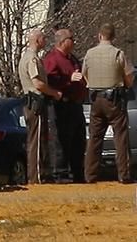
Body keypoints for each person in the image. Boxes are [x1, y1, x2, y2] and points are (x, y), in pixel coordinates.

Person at [82, 23, 134, 183]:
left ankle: (90, 175)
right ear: (113, 37)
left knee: (94, 138)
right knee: (120, 137)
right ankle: (124, 175)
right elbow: (130, 76)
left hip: (95, 99)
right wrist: (125, 84)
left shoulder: (89, 54)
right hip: (114, 99)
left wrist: (93, 85)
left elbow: (84, 74)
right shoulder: (118, 53)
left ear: (99, 35)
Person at [43, 28, 87, 182]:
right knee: (61, 141)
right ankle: (60, 174)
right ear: (62, 42)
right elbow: (49, 82)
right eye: (71, 39)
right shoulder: (52, 59)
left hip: (76, 105)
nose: (74, 42)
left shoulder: (73, 59)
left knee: (79, 141)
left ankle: (78, 173)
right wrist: (69, 80)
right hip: (61, 106)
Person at [20, 27, 60, 184]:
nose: (45, 41)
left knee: (41, 140)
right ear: (37, 40)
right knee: (35, 141)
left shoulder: (30, 57)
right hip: (35, 103)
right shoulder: (32, 59)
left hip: (35, 103)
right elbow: (37, 83)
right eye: (43, 38)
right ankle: (35, 177)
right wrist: (54, 93)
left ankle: (42, 174)